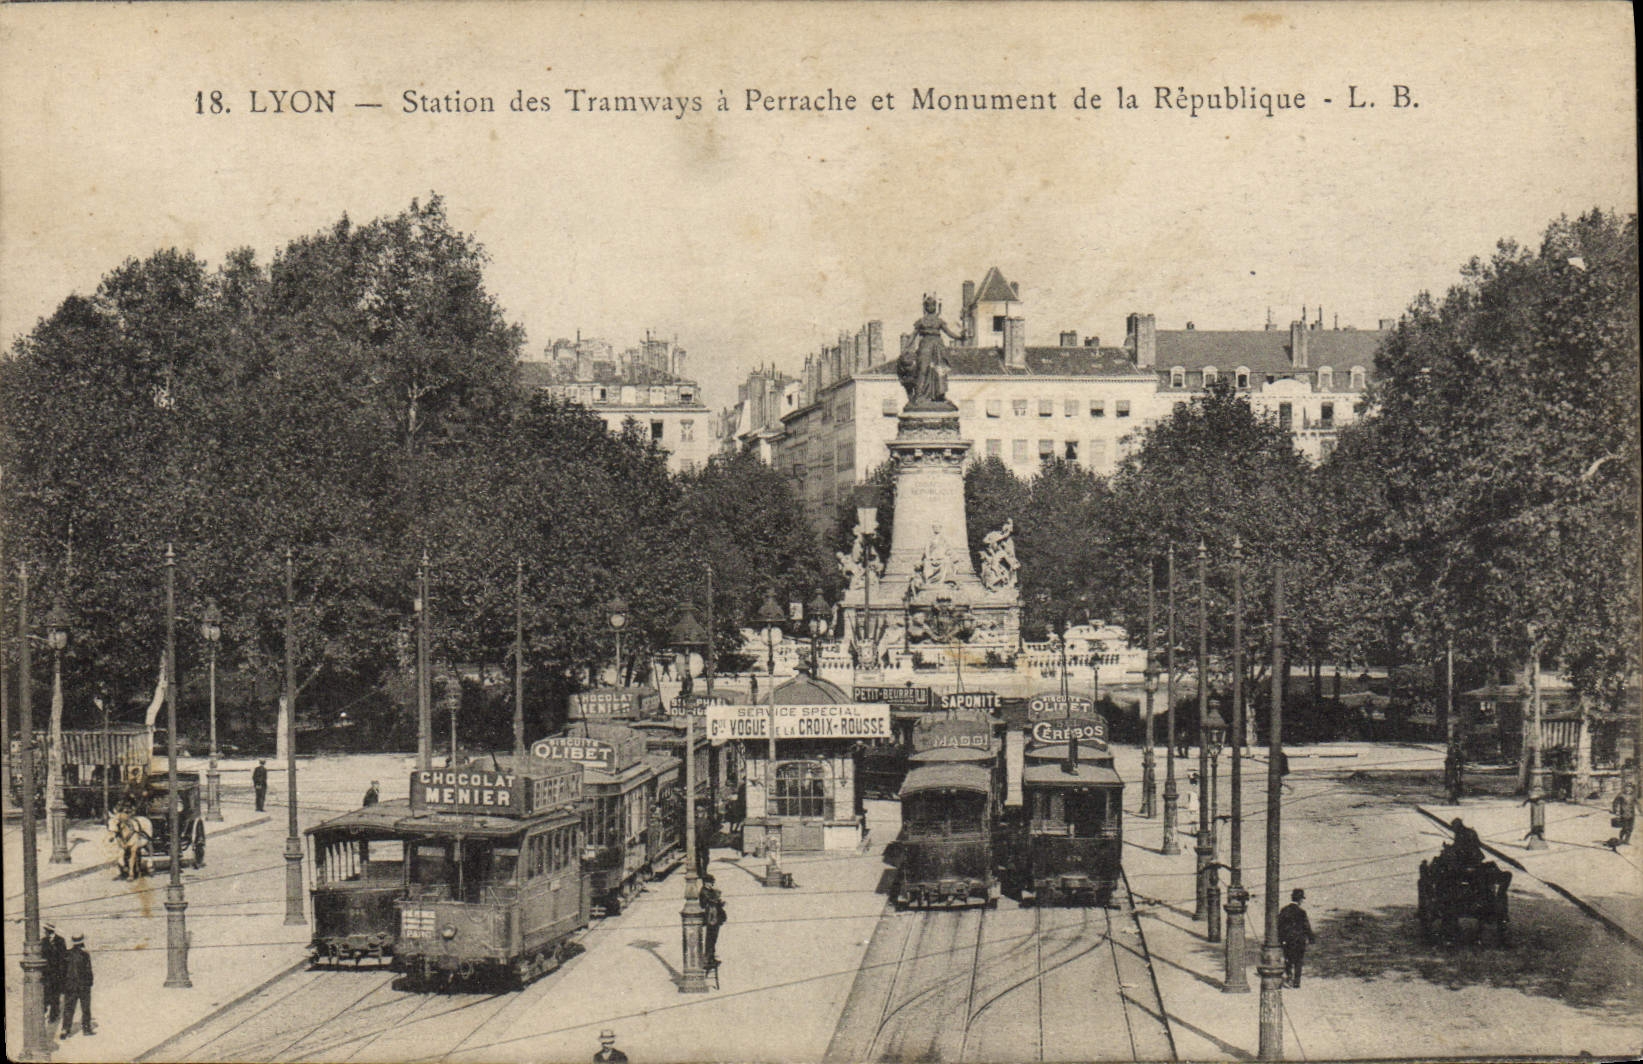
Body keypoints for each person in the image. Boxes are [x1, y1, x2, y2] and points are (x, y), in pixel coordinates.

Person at [898, 295, 964, 406]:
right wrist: (905, 348)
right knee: (922, 369)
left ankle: (939, 395)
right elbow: (913, 336)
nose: (931, 306)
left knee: (939, 370)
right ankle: (919, 395)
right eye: (928, 305)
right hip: (925, 345)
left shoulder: (939, 321)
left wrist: (960, 337)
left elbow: (949, 332)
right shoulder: (921, 321)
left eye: (933, 304)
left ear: (936, 306)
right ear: (925, 307)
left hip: (938, 346)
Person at [1277, 888, 1317, 988]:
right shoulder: (1301, 912)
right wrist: (1311, 938)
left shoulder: (1284, 910)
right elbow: (1306, 926)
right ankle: (1296, 982)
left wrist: (1280, 939)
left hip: (1287, 940)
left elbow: (1279, 926)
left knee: (1288, 959)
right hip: (1299, 940)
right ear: (1300, 900)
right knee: (1299, 961)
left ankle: (1289, 977)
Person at [59, 933, 94, 1038]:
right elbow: (88, 971)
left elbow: (62, 971)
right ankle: (86, 1029)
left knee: (68, 1008)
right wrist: (90, 983)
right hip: (83, 986)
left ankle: (65, 1030)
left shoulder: (66, 954)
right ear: (82, 942)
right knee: (85, 1008)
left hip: (70, 986)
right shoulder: (85, 955)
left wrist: (64, 985)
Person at [41, 922, 66, 1026]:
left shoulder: (60, 940)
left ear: (49, 931)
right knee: (46, 994)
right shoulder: (43, 941)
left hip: (57, 974)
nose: (44, 932)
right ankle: (44, 1012)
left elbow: (63, 957)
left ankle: (54, 1016)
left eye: (45, 930)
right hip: (47, 973)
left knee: (55, 995)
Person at [700, 872, 727, 968]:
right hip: (711, 919)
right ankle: (708, 959)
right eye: (710, 883)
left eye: (712, 883)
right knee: (710, 939)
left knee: (713, 939)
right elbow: (711, 901)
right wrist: (718, 900)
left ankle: (711, 957)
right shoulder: (704, 892)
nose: (712, 885)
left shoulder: (708, 891)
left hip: (714, 918)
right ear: (705, 883)